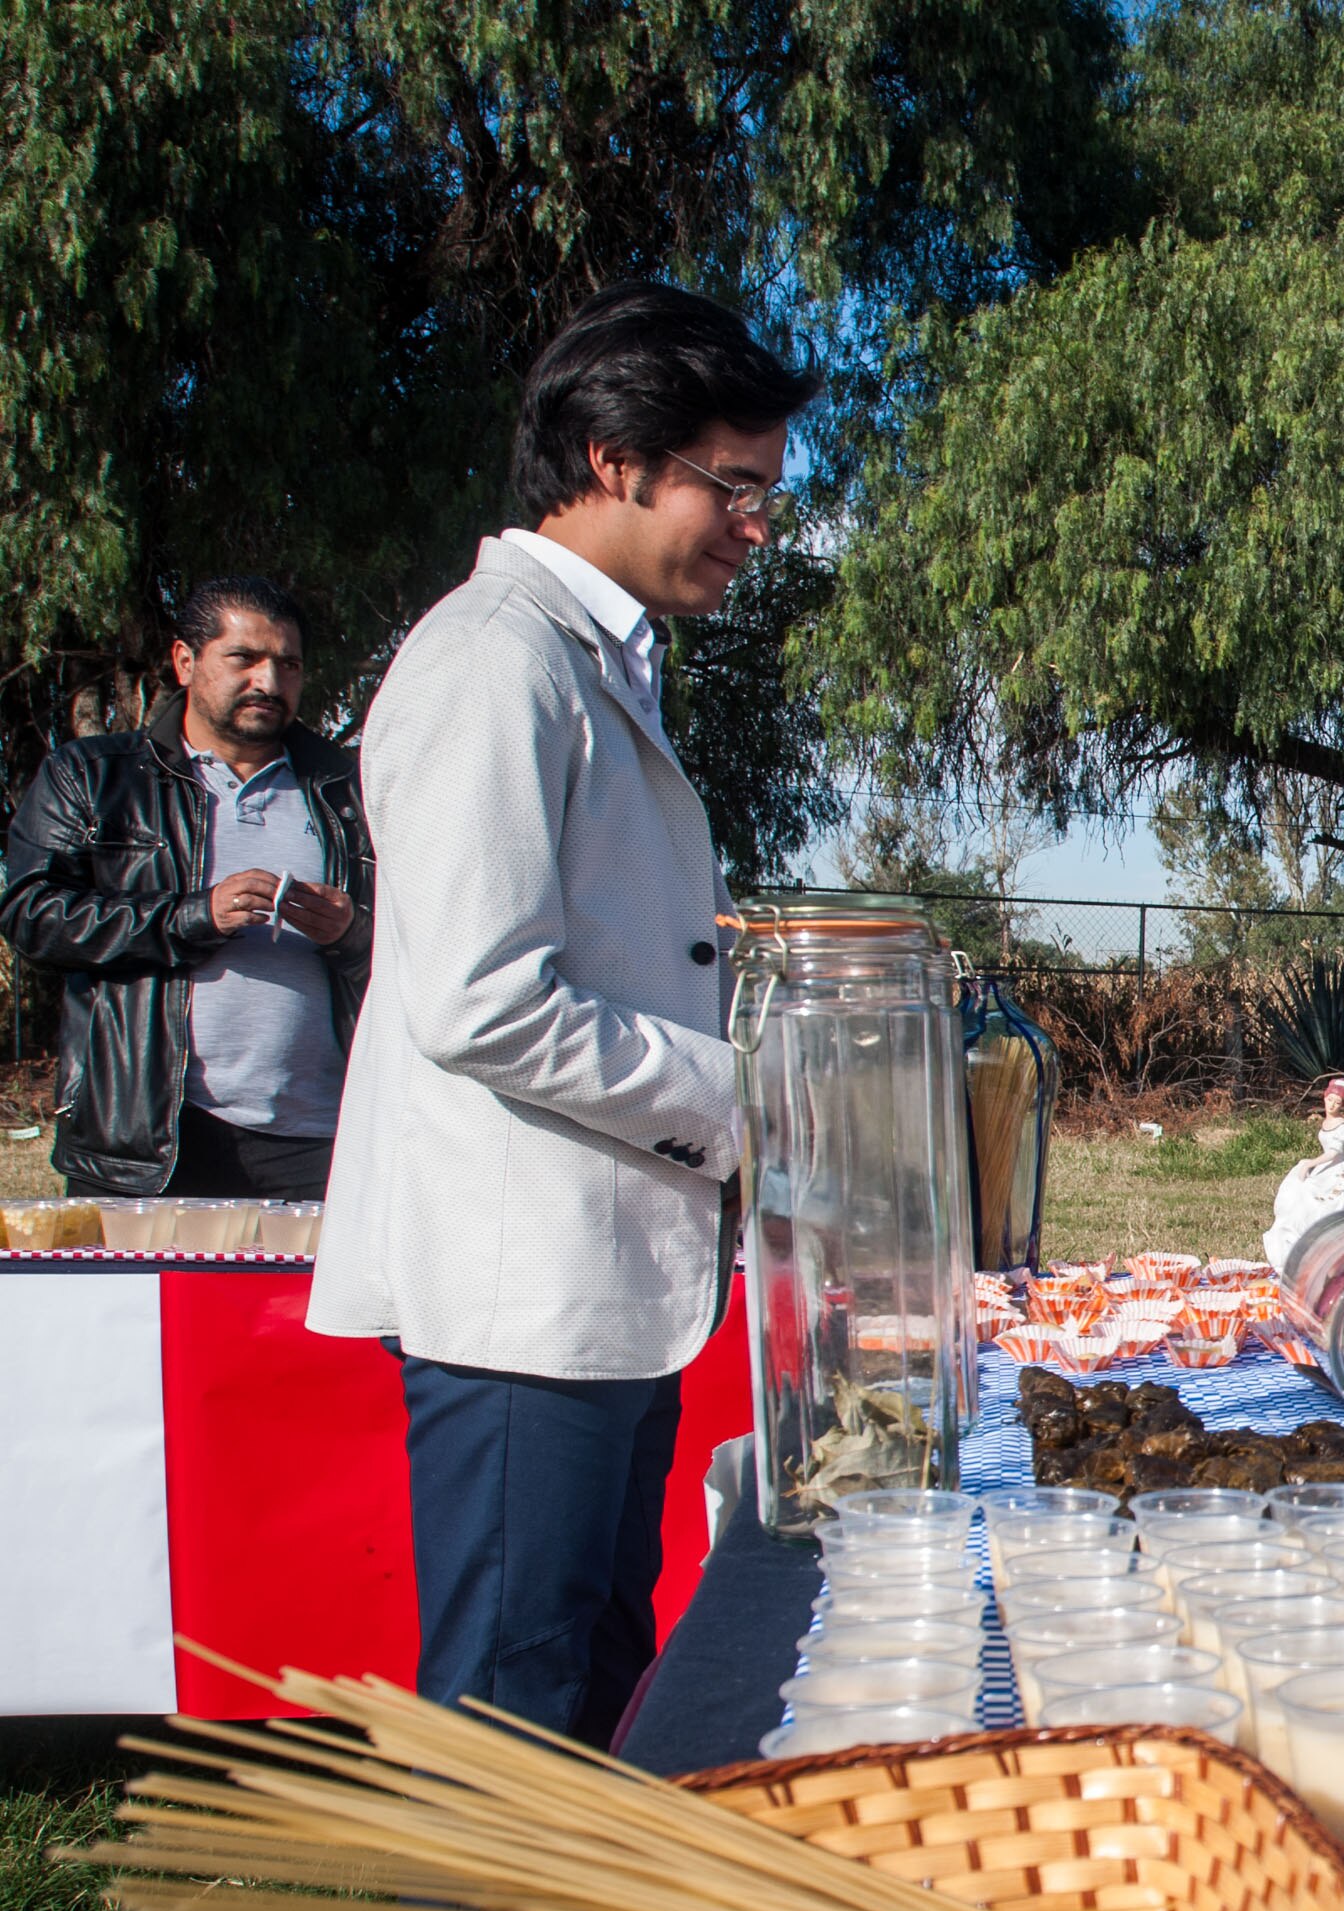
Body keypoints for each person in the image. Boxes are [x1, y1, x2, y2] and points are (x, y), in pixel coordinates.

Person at [310, 282, 817, 1795]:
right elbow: (479, 993)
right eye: (732, 486)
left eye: (768, 493)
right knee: (509, 1735)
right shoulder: (495, 659)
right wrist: (748, 1098)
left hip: (601, 1278)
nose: (756, 525)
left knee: (592, 1685)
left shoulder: (596, 656)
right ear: (611, 456)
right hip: (522, 1293)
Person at [2, 578, 369, 1200]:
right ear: (184, 661)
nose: (269, 681)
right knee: (146, 1304)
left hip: (331, 1136)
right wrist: (195, 916)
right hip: (150, 1139)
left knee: (305, 1305)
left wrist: (354, 932)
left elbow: (432, 935)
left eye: (288, 664)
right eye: (244, 658)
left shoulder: (355, 788)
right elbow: (33, 916)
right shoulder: (95, 775)